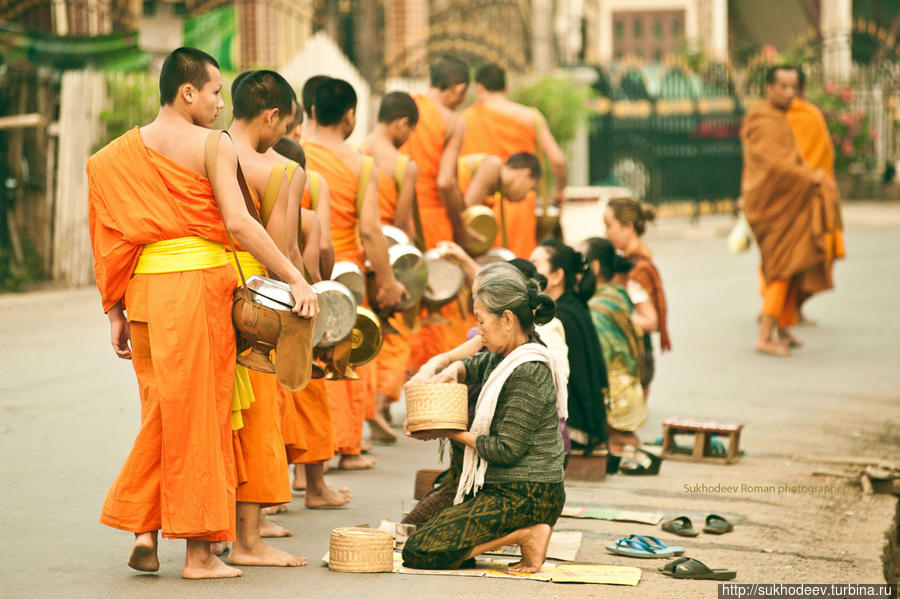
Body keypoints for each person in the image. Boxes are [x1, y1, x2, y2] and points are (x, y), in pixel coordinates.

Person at [88, 47, 316, 579]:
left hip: (144, 292)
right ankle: (198, 554)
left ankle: (144, 526)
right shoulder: (213, 145)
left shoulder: (110, 157)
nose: (219, 103)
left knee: (164, 414)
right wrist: (294, 277)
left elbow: (110, 239)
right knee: (199, 419)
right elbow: (238, 224)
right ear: (187, 91)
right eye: (214, 92)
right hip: (197, 293)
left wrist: (114, 309)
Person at [402, 268, 566, 573]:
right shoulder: (505, 355)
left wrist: (449, 431)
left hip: (528, 492)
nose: (479, 332)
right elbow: (473, 364)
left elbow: (505, 450)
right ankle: (507, 535)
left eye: (482, 321)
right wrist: (451, 372)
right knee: (416, 529)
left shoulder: (529, 369)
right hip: (499, 486)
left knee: (419, 551)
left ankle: (526, 534)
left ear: (507, 319)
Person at [225, 70, 311, 566]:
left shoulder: (198, 152)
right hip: (255, 304)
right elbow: (285, 249)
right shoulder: (280, 170)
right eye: (284, 126)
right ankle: (248, 540)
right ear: (273, 115)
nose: (283, 137)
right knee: (257, 416)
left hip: (201, 290)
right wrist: (301, 293)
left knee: (214, 416)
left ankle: (207, 529)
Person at [303, 77, 408, 469]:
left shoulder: (295, 153)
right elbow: (370, 229)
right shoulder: (360, 164)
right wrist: (389, 280)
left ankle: (305, 458)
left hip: (303, 262)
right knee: (342, 354)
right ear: (350, 116)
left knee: (306, 355)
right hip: (345, 267)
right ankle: (346, 447)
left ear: (311, 111)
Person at [269, 137, 349, 508]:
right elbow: (312, 264)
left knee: (270, 403)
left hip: (257, 308)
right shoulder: (308, 218)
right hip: (298, 308)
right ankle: (315, 487)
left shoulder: (250, 206)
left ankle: (270, 495)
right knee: (311, 393)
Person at [741, 65, 835, 356]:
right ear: (768, 88)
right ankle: (764, 336)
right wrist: (812, 178)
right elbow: (775, 165)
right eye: (782, 86)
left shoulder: (780, 118)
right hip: (771, 206)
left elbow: (789, 160)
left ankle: (783, 327)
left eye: (793, 86)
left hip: (789, 203)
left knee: (792, 265)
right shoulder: (762, 120)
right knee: (781, 268)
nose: (788, 92)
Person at [399, 55, 478, 368]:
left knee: (406, 296)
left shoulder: (403, 109)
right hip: (433, 220)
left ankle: (401, 377)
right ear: (458, 89)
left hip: (398, 216)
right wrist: (460, 232)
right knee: (440, 298)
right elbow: (446, 181)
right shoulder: (451, 121)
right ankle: (435, 377)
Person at [360, 91, 420, 443]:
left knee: (366, 329)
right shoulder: (402, 165)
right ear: (401, 123)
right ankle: (380, 405)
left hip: (357, 251)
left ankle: (369, 407)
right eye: (409, 131)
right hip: (389, 254)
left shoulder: (357, 153)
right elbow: (402, 222)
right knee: (396, 333)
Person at [461, 63, 569, 258]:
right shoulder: (529, 117)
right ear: (506, 87)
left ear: (478, 87)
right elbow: (558, 160)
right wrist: (560, 189)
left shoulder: (464, 120)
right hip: (518, 205)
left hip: (478, 206)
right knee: (517, 270)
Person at [530, 239, 610, 457]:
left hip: (575, 429)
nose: (529, 272)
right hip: (591, 425)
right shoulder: (573, 306)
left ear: (556, 276)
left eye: (535, 265)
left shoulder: (558, 318)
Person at [786, 67, 845, 324]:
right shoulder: (776, 118)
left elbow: (822, 156)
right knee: (791, 258)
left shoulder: (809, 116)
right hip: (796, 198)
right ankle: (781, 309)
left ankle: (788, 308)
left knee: (797, 257)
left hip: (807, 197)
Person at [581, 238, 647, 462]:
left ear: (595, 267)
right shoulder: (617, 294)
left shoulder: (596, 310)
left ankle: (628, 449)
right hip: (630, 387)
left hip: (616, 397)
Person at [603, 197, 668, 394]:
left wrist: (612, 315)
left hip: (636, 355)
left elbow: (651, 321)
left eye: (609, 225)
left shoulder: (637, 268)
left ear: (628, 226)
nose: (606, 232)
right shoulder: (627, 261)